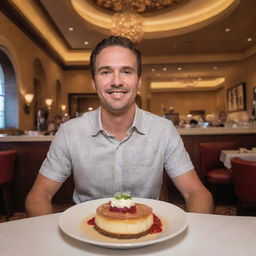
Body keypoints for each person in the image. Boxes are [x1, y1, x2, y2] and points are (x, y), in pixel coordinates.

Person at [25, 36, 213, 216]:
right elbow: (38, 196)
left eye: (126, 71)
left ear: (138, 81)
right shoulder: (69, 132)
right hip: (86, 233)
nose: (116, 81)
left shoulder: (163, 130)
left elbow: (196, 193)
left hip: (147, 232)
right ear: (93, 82)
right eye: (106, 72)